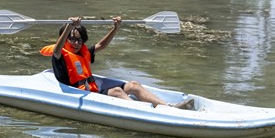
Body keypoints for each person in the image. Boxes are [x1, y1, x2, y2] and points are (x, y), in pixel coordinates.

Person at [40, 16, 194, 110]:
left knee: (133, 85)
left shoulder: (82, 52)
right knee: (118, 92)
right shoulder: (59, 55)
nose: (75, 42)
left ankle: (167, 107)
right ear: (65, 39)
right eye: (71, 38)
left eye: (79, 39)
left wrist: (116, 28)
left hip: (91, 89)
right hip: (78, 93)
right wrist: (69, 26)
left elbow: (101, 45)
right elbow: (57, 49)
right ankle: (148, 112)